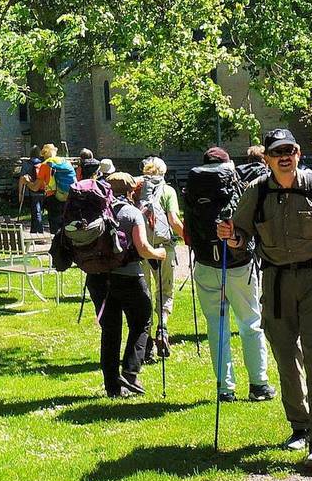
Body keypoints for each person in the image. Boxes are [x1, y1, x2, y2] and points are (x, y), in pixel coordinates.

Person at [218, 128, 312, 476]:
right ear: (267, 158)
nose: (283, 156)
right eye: (276, 152)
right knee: (284, 355)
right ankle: (299, 426)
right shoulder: (257, 191)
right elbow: (241, 236)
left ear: (298, 153)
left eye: (289, 150)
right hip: (276, 282)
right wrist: (231, 237)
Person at [182, 147, 276, 405]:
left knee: (216, 326)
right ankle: (259, 384)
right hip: (237, 263)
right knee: (250, 323)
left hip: (204, 264)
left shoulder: (193, 186)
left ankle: (225, 388)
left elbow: (187, 231)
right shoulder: (234, 182)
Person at [88, 172, 168, 398]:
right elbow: (143, 248)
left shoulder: (94, 211)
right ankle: (131, 373)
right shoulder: (132, 213)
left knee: (110, 330)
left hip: (98, 279)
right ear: (132, 191)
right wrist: (159, 254)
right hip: (128, 277)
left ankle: (112, 387)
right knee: (142, 320)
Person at [137, 157, 185, 362]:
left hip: (142, 249)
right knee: (165, 290)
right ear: (163, 173)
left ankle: (146, 342)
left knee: (144, 292)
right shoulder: (168, 191)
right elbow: (173, 220)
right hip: (165, 248)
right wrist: (189, 238)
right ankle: (163, 327)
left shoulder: (138, 188)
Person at [18, 146, 46, 234]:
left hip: (32, 190)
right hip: (42, 190)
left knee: (36, 211)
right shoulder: (43, 163)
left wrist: (20, 194)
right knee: (38, 211)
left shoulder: (26, 164)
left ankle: (40, 232)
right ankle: (33, 232)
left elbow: (22, 179)